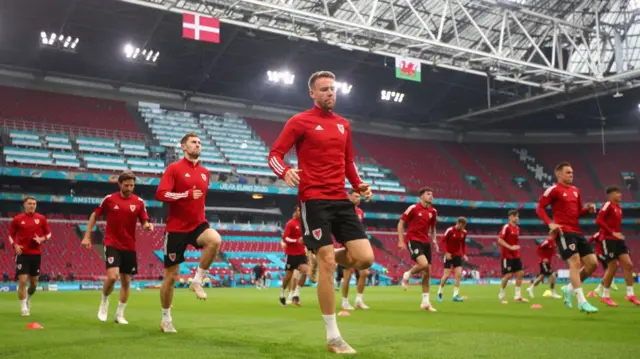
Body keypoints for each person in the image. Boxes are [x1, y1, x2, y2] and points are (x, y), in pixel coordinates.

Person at [268, 70, 373, 354]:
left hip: (341, 199)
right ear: (312, 93)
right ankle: (333, 336)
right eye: (324, 89)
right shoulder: (299, 121)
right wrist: (285, 171)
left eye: (333, 89)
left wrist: (358, 184)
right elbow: (274, 154)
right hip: (313, 200)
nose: (330, 93)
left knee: (364, 259)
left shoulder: (343, 125)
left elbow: (349, 161)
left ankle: (320, 260)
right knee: (328, 263)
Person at [155, 132, 223, 333]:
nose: (198, 145)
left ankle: (197, 280)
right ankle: (166, 318)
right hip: (176, 228)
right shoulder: (174, 168)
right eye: (194, 142)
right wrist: (184, 194)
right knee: (170, 276)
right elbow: (160, 194)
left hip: (197, 224)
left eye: (200, 142)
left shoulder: (205, 172)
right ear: (184, 147)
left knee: (215, 240)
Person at [82, 171, 154, 324]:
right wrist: (87, 236)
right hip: (112, 243)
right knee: (113, 276)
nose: (129, 188)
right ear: (120, 184)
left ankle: (119, 314)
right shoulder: (109, 199)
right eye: (126, 185)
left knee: (126, 281)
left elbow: (144, 221)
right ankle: (104, 301)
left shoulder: (139, 202)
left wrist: (147, 226)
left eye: (132, 185)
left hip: (129, 246)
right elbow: (94, 215)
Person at [536, 161, 598, 313]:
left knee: (592, 264)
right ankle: (582, 301)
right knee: (575, 262)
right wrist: (549, 223)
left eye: (572, 172)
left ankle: (568, 288)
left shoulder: (576, 190)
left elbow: (577, 212)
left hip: (577, 231)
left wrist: (587, 210)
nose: (571, 175)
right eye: (568, 172)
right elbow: (540, 208)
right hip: (563, 231)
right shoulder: (553, 190)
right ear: (559, 174)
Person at [591, 186, 640, 306]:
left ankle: (630, 294)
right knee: (612, 267)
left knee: (628, 265)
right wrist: (612, 232)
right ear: (611, 194)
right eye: (618, 193)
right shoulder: (608, 205)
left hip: (618, 240)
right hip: (608, 240)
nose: (620, 195)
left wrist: (618, 234)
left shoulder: (618, 208)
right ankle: (605, 296)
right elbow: (598, 220)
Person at [397, 187, 438, 312]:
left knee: (427, 272)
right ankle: (407, 274)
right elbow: (401, 223)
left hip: (426, 242)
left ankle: (425, 302)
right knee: (423, 264)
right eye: (428, 194)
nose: (431, 196)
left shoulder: (433, 211)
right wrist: (401, 240)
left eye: (432, 194)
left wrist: (435, 240)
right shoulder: (413, 208)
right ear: (421, 196)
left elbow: (433, 228)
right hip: (413, 240)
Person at [9, 197, 51, 316]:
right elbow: (11, 235)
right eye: (29, 203)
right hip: (22, 254)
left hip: (36, 255)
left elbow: (49, 233)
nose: (32, 205)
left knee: (34, 284)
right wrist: (14, 245)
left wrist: (42, 239)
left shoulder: (41, 218)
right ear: (24, 205)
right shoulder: (17, 219)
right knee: (22, 281)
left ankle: (28, 298)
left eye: (34, 204)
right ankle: (23, 308)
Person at [341, 189, 370, 310]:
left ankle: (359, 299)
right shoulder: (342, 210)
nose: (358, 199)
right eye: (355, 196)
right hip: (346, 244)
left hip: (359, 244)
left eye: (359, 197)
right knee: (347, 274)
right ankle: (345, 301)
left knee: (364, 272)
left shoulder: (360, 212)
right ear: (349, 197)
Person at [497, 210, 528, 304]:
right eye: (515, 216)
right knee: (508, 275)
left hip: (515, 254)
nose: (517, 218)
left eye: (517, 216)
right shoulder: (506, 227)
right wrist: (510, 247)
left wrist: (515, 247)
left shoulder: (517, 228)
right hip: (507, 254)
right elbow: (499, 240)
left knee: (520, 273)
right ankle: (501, 294)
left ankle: (517, 295)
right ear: (510, 217)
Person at [280, 206, 309, 306]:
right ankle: (282, 293)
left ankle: (296, 293)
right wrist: (296, 241)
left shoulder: (305, 223)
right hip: (291, 254)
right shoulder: (291, 223)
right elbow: (285, 238)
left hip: (301, 253)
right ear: (295, 212)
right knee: (288, 276)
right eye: (299, 211)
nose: (300, 213)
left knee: (305, 272)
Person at [437, 217, 468, 302]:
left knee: (458, 275)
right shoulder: (450, 230)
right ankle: (439, 293)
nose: (464, 227)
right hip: (448, 255)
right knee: (446, 276)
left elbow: (463, 244)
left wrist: (464, 254)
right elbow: (442, 241)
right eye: (463, 225)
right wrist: (446, 252)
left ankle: (455, 295)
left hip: (457, 256)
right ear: (460, 223)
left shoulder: (464, 232)